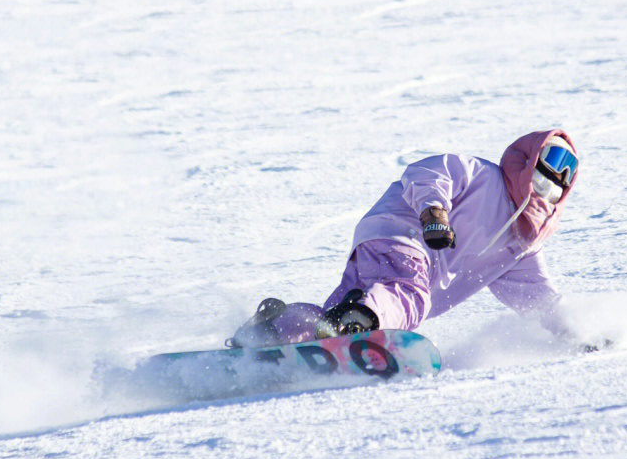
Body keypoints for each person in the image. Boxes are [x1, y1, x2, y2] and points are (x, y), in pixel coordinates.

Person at [228, 129, 579, 348]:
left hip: (375, 245)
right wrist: (434, 214)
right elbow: (428, 173)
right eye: (548, 164)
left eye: (562, 178)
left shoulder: (520, 245)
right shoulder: (483, 176)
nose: (553, 180)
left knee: (330, 321)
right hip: (403, 231)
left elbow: (540, 298)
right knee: (410, 295)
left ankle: (275, 330)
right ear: (527, 159)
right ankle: (362, 320)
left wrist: (577, 335)